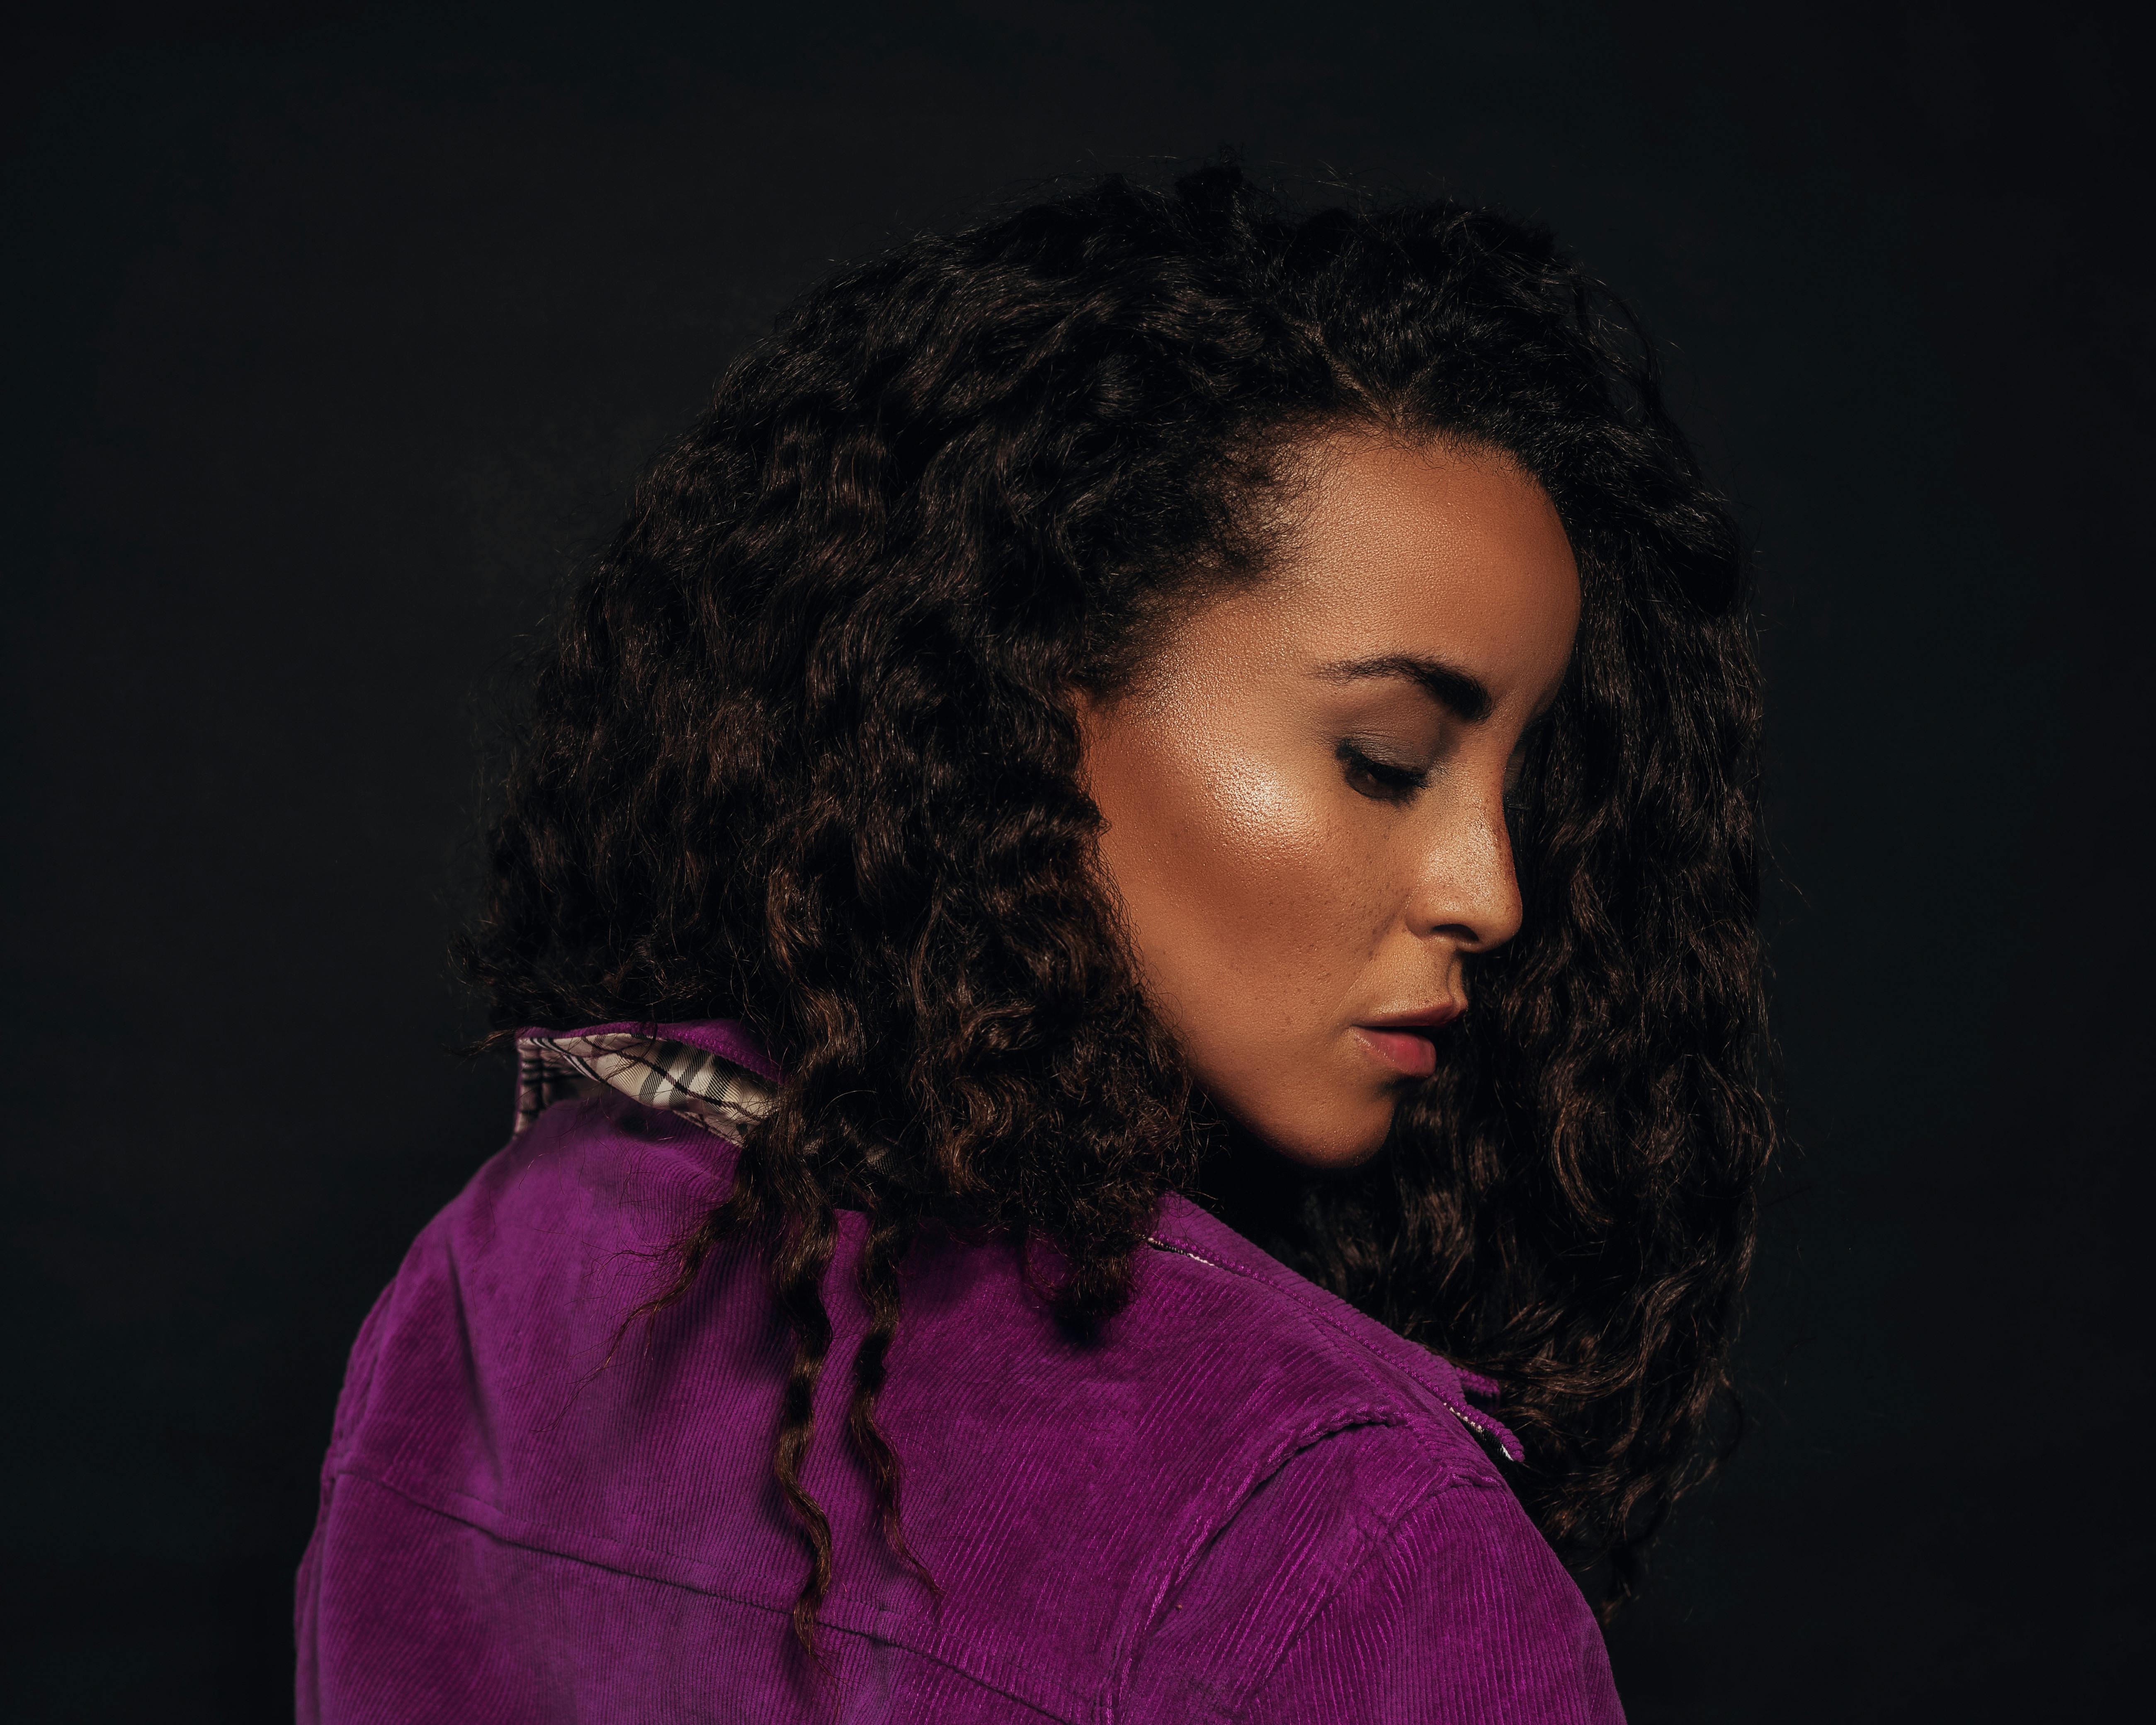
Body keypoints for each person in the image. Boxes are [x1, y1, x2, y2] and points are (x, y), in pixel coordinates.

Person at [296, 164, 1772, 1723]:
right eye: (1388, 759)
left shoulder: (500, 1261)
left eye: (1518, 787)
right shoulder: (1354, 1560)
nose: (1496, 892)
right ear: (1023, 702)